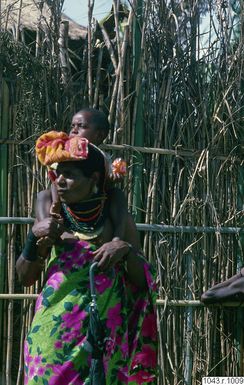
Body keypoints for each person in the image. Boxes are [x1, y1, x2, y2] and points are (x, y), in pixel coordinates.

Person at [16, 131, 157, 385]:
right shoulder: (51, 218)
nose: (59, 181)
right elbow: (24, 277)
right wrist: (32, 238)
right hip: (52, 338)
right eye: (58, 173)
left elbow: (142, 279)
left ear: (92, 178)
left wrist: (123, 249)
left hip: (103, 340)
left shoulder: (116, 221)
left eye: (69, 175)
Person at [36, 108, 127, 241]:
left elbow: (103, 185)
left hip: (94, 203)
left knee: (118, 194)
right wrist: (56, 202)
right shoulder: (64, 152)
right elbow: (57, 179)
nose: (74, 130)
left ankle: (118, 237)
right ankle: (48, 229)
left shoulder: (103, 158)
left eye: (82, 126)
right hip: (65, 199)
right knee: (43, 195)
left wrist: (112, 179)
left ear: (99, 135)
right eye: (72, 126)